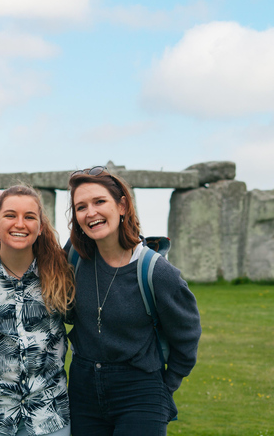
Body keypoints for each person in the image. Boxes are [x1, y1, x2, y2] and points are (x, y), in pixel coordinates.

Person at [65, 166, 201, 436]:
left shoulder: (157, 271)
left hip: (140, 389)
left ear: (123, 205)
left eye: (99, 201)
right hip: (83, 387)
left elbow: (187, 335)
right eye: (81, 207)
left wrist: (166, 384)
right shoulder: (73, 257)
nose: (90, 212)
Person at [0, 186, 76, 436]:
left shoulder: (61, 273)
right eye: (10, 215)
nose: (20, 224)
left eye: (29, 217)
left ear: (40, 226)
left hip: (50, 416)